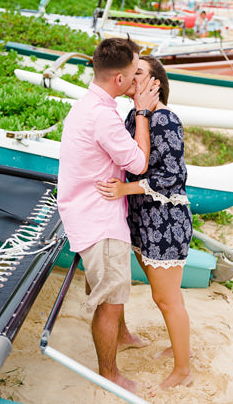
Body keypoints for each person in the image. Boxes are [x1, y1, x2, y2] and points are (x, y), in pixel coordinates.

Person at [57, 37, 160, 392]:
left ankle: (123, 335)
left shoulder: (88, 105)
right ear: (119, 80)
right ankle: (109, 373)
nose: (137, 81)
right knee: (111, 300)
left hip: (90, 211)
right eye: (134, 74)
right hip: (98, 219)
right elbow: (140, 163)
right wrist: (144, 114)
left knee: (109, 290)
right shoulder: (103, 117)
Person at [97, 55, 194, 392]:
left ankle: (183, 368)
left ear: (155, 83)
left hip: (165, 221)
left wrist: (124, 188)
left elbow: (172, 177)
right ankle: (179, 346)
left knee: (167, 299)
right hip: (142, 220)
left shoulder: (165, 120)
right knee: (166, 297)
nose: (128, 76)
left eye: (138, 73)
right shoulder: (134, 116)